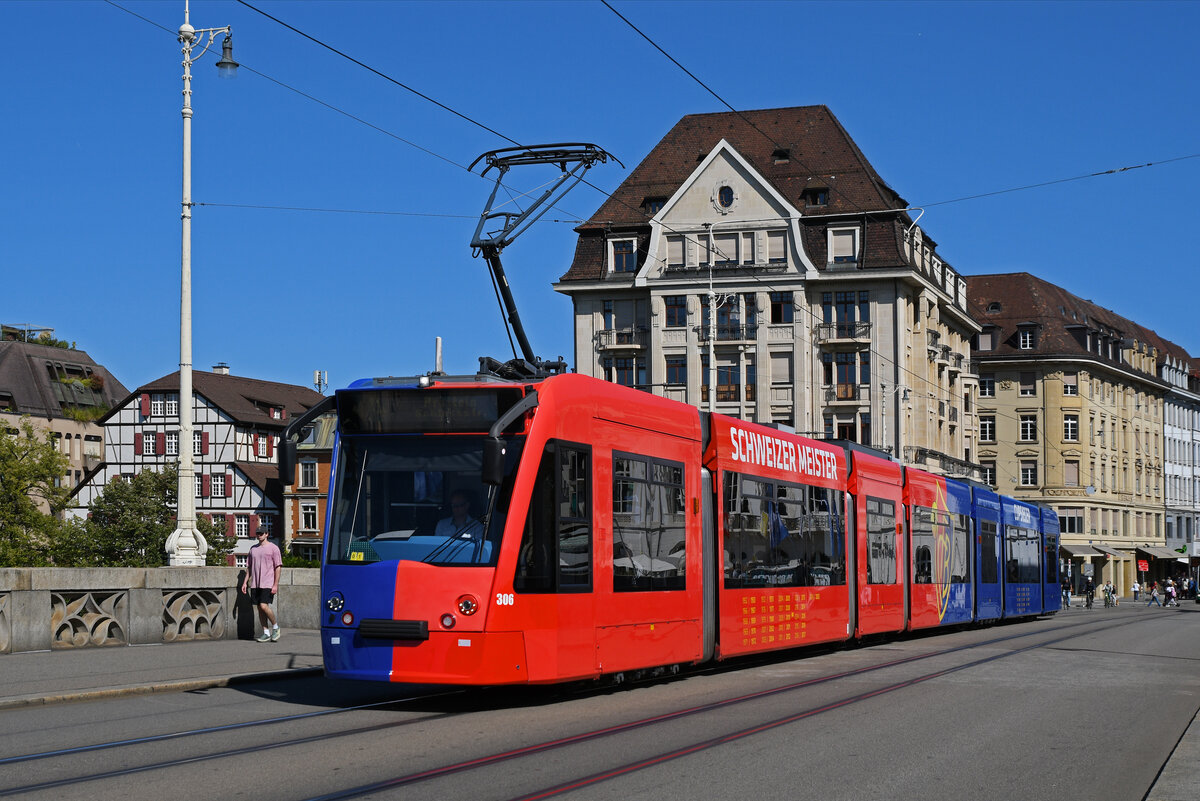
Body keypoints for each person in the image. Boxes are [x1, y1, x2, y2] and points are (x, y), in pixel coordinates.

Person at [242, 529, 283, 642]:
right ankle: (266, 632)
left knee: (264, 606)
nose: (259, 535)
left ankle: (275, 627)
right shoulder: (253, 549)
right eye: (257, 534)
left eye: (261, 533)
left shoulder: (274, 548)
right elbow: (249, 568)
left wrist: (275, 584)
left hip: (268, 582)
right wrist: (245, 582)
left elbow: (278, 567)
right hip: (255, 583)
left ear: (267, 534)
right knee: (260, 608)